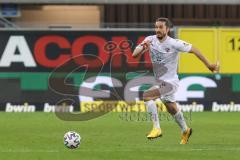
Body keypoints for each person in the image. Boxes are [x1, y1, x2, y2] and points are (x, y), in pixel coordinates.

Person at [132, 17, 219, 144]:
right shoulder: (150, 40)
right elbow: (134, 54)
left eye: (161, 27)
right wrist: (143, 47)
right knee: (171, 107)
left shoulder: (174, 43)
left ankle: (156, 128)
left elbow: (194, 49)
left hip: (171, 82)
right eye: (156, 27)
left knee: (147, 96)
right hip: (160, 82)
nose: (158, 30)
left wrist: (209, 65)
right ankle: (186, 130)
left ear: (167, 29)